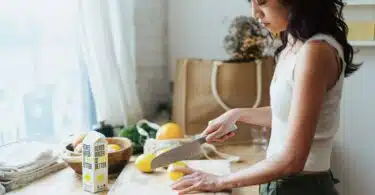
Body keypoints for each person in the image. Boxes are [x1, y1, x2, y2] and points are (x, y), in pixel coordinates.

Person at [170, 0, 362, 194]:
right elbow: (290, 116)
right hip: (286, 184)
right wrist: (237, 114)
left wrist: (219, 182)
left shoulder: (315, 52)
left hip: (300, 188)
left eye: (262, 2)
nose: (255, 14)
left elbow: (292, 160)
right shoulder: (293, 45)